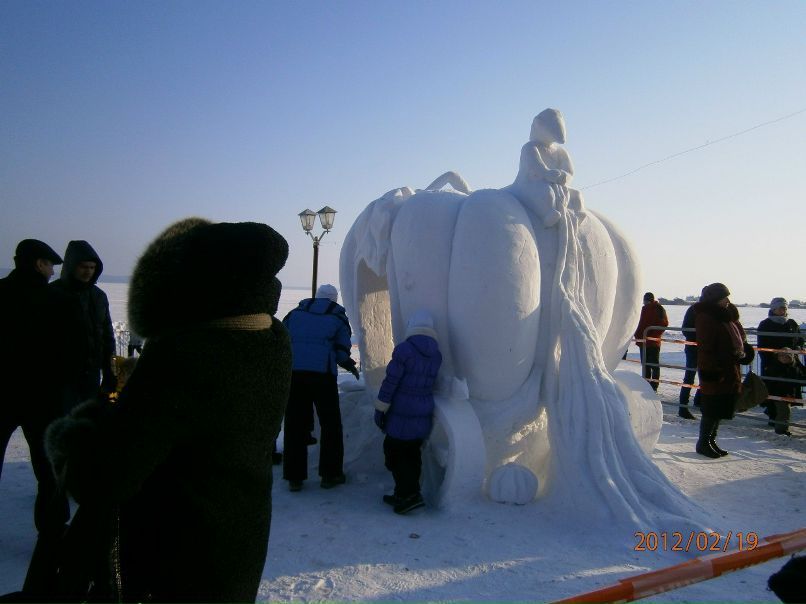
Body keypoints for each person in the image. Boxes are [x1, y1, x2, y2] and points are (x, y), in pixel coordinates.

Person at [38, 218, 292, 603]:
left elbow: (106, 477)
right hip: (239, 539)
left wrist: (76, 434)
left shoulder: (186, 353)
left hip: (174, 554)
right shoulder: (273, 337)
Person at [0, 240, 74, 594]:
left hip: (5, 393)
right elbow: (66, 348)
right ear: (38, 264)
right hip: (40, 398)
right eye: (49, 265)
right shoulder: (54, 299)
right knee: (49, 470)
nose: (52, 271)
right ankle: (53, 535)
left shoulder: (1, 292)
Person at [282, 283, 359, 491]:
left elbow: (282, 339)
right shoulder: (337, 317)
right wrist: (349, 365)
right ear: (334, 299)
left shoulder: (294, 313)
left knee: (294, 423)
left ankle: (294, 477)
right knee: (330, 423)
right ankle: (330, 474)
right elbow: (342, 349)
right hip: (322, 376)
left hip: (295, 373)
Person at [374, 310, 442, 515]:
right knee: (412, 453)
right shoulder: (436, 354)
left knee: (395, 451)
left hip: (402, 409)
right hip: (423, 407)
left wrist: (381, 408)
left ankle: (408, 495)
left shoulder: (404, 350)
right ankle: (406, 493)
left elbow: (391, 382)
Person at [50, 240, 115, 412]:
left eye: (92, 267)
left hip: (91, 376)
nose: (88, 272)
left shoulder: (98, 296)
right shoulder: (52, 294)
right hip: (61, 379)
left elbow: (107, 336)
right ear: (72, 266)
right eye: (83, 267)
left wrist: (109, 371)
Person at [694, 283, 753, 458]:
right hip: (715, 368)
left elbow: (737, 339)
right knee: (712, 407)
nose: (727, 301)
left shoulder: (726, 317)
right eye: (723, 298)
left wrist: (743, 352)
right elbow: (707, 346)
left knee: (720, 407)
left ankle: (711, 440)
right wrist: (716, 367)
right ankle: (703, 442)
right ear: (715, 299)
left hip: (727, 368)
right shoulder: (707, 317)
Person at [757, 297, 804, 431]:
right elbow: (762, 345)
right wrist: (773, 357)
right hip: (772, 364)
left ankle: (781, 417)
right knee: (773, 388)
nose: (783, 310)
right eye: (780, 308)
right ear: (773, 309)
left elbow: (799, 339)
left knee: (788, 389)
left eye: (784, 307)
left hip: (790, 363)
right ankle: (773, 416)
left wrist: (797, 349)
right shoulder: (765, 324)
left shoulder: (792, 323)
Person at [760, 348, 804, 436]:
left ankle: (771, 413)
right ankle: (781, 430)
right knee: (784, 412)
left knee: (782, 410)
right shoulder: (775, 366)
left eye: (787, 357)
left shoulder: (794, 367)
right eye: (782, 356)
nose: (785, 358)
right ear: (778, 357)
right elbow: (770, 380)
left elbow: (800, 376)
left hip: (788, 393)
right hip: (778, 393)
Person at [633, 292, 668, 392]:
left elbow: (639, 324)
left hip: (646, 342)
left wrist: (643, 335)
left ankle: (647, 385)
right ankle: (653, 386)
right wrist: (654, 335)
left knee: (646, 365)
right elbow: (664, 324)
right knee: (654, 365)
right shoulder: (659, 309)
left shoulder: (646, 310)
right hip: (653, 342)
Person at [678, 303, 701, 419]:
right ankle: (683, 406)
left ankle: (699, 401)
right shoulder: (694, 309)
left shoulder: (696, 309)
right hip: (693, 348)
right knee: (689, 377)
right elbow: (686, 329)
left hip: (704, 349)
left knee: (705, 377)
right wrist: (701, 335)